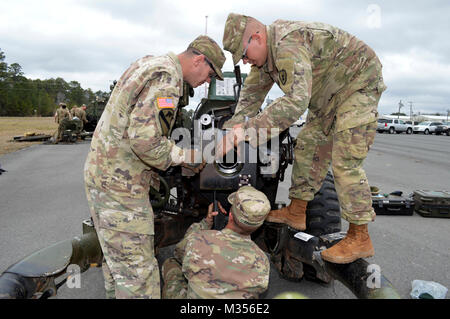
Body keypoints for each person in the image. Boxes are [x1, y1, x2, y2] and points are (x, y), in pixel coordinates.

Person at [219, 13, 386, 264]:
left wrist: (246, 133)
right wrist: (229, 132)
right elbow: (250, 98)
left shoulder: (287, 43)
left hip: (357, 85)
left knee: (344, 162)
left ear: (257, 37)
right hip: (325, 99)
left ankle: (359, 236)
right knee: (307, 147)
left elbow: (295, 102)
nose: (244, 61)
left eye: (244, 54)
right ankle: (297, 211)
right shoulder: (265, 61)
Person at [84, 35, 225, 299]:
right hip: (121, 186)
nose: (208, 82)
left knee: (118, 268)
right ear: (198, 60)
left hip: (105, 177)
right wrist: (187, 157)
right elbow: (146, 142)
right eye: (210, 74)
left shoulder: (148, 64)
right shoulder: (168, 79)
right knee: (139, 276)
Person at [161, 185, 271, 299]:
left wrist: (206, 223)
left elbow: (178, 252)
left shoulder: (199, 240)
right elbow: (259, 288)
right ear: (259, 225)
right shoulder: (262, 260)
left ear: (230, 215)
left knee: (171, 263)